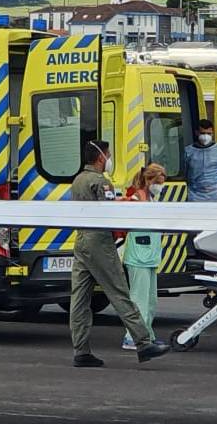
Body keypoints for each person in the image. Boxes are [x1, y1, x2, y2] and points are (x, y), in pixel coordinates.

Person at [67, 140, 171, 367]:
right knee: (119, 291)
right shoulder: (100, 181)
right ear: (100, 157)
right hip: (100, 241)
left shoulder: (77, 180)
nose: (110, 159)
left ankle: (81, 350)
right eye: (109, 155)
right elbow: (110, 213)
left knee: (80, 298)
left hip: (82, 240)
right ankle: (143, 342)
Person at [119, 163, 168, 351]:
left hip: (150, 256)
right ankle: (132, 337)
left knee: (150, 300)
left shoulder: (152, 198)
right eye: (158, 182)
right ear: (148, 180)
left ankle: (146, 334)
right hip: (138, 256)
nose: (161, 186)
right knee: (139, 299)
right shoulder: (137, 198)